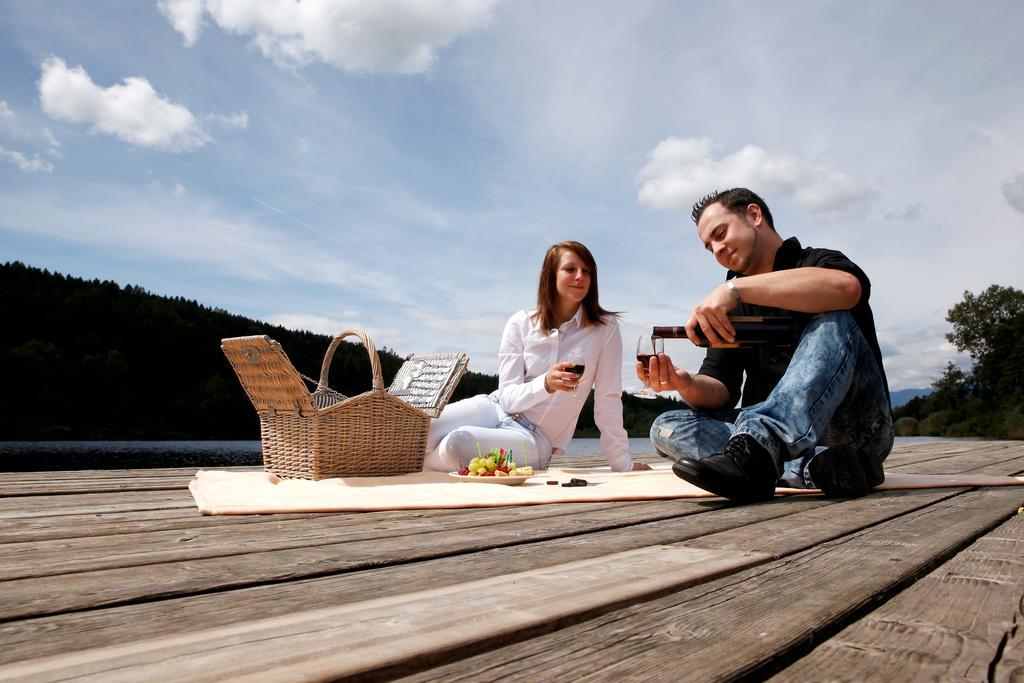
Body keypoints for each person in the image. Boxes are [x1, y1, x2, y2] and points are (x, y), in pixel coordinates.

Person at [638, 188, 892, 502]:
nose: (717, 249)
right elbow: (720, 389)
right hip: (788, 449)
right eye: (709, 247)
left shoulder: (816, 261)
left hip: (856, 427)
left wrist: (735, 288)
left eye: (721, 233)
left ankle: (762, 454)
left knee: (834, 314)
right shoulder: (729, 307)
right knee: (666, 426)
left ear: (755, 215)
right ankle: (815, 468)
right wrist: (683, 382)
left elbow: (847, 289)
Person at [425, 241, 652, 473]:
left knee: (457, 445)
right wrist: (545, 384)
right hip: (493, 408)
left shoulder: (605, 329)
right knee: (423, 427)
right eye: (570, 269)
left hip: (535, 438)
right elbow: (507, 400)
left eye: (587, 271)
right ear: (548, 275)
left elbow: (608, 400)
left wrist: (622, 464)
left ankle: (416, 466)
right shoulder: (520, 323)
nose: (580, 277)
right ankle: (403, 465)